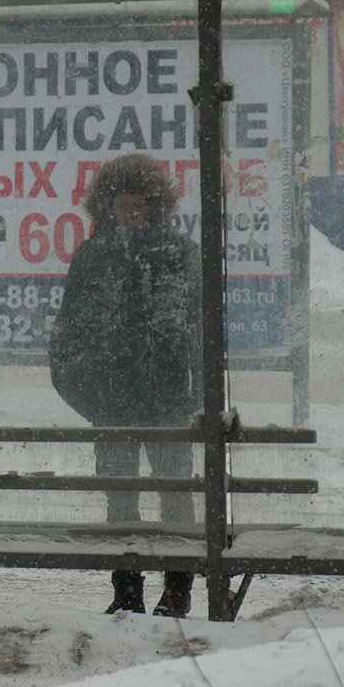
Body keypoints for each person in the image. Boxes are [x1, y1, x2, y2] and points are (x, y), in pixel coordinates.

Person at [49, 155, 205, 617]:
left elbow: (200, 333)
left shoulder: (180, 255)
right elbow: (68, 335)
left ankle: (178, 588)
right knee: (121, 498)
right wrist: (87, 395)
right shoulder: (94, 256)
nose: (131, 213)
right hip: (115, 401)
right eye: (123, 205)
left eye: (139, 205)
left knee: (175, 495)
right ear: (108, 206)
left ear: (155, 207)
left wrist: (192, 397)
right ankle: (128, 588)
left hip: (167, 401)